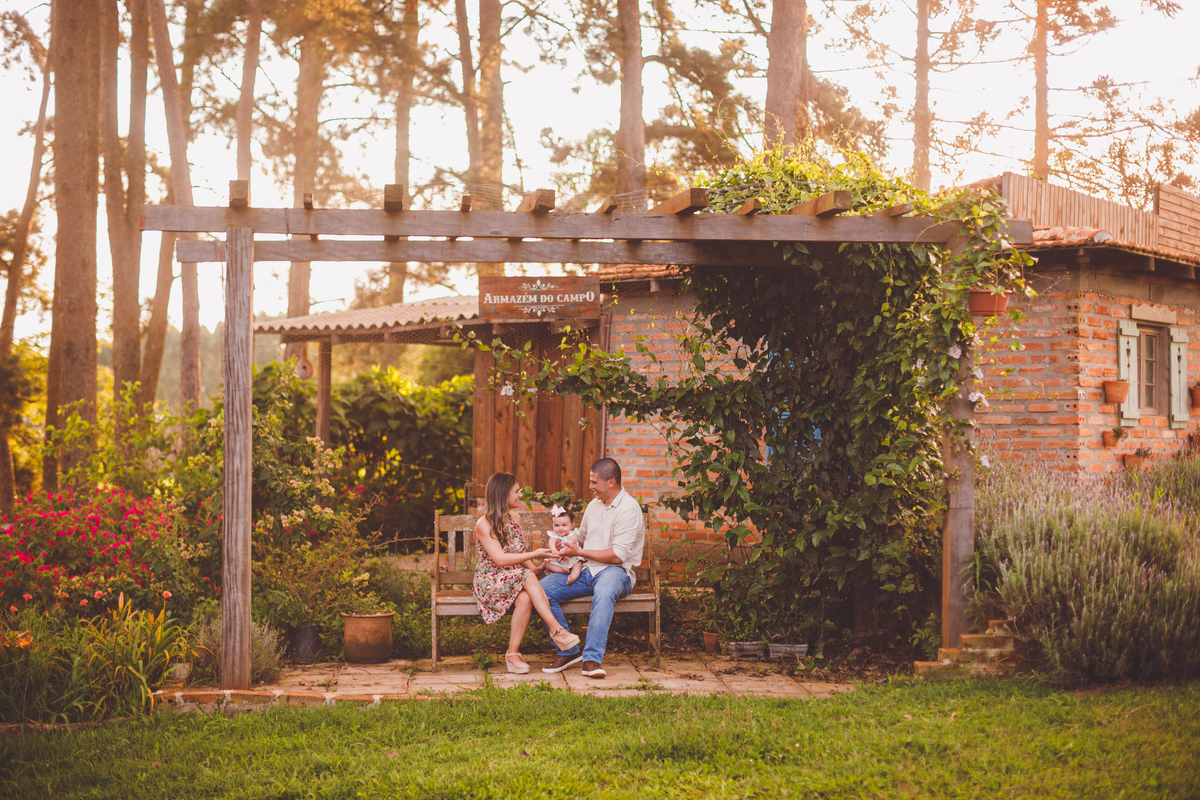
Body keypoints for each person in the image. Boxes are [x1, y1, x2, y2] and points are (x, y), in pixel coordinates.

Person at [539, 458, 644, 678]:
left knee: (604, 592)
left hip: (617, 572)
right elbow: (582, 541)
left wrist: (579, 553)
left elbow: (617, 556)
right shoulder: (594, 506)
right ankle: (568, 649)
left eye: (594, 482)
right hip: (586, 569)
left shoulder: (628, 509)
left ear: (611, 483)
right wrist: (565, 547)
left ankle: (592, 660)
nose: (590, 487)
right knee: (541, 591)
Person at [472, 472, 581, 674]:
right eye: (516, 491)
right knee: (527, 578)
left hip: (512, 577)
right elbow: (500, 560)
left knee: (524, 599)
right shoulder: (484, 524)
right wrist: (535, 556)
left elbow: (518, 552)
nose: (520, 494)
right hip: (491, 581)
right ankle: (557, 631)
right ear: (503, 494)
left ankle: (512, 655)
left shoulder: (515, 519)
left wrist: (534, 567)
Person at [541, 505, 584, 585]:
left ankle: (572, 577)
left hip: (572, 558)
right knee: (546, 564)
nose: (560, 528)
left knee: (578, 564)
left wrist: (566, 547)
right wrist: (554, 550)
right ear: (552, 526)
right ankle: (562, 570)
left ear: (571, 526)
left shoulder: (573, 534)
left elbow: (572, 541)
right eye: (557, 525)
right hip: (558, 559)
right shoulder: (554, 535)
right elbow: (551, 542)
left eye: (564, 525)